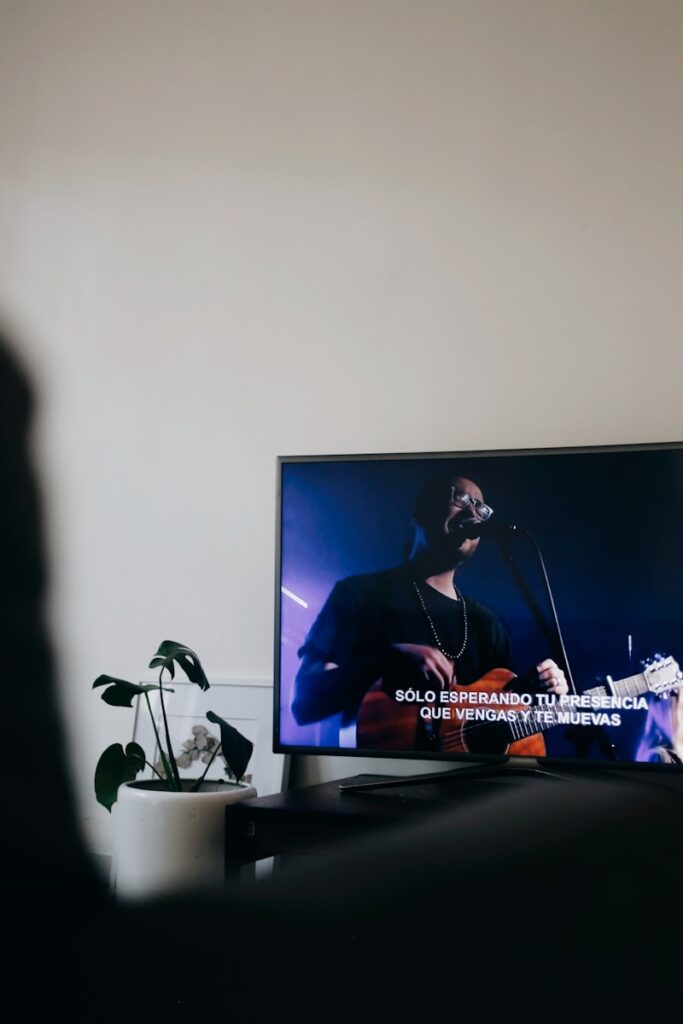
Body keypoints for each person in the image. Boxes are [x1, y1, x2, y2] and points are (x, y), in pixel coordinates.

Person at [291, 472, 568, 751]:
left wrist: (542, 691)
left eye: (481, 508)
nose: (473, 510)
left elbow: (502, 721)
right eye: (459, 498)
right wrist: (386, 659)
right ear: (420, 513)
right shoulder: (360, 594)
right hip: (384, 780)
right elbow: (304, 704)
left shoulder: (487, 625)